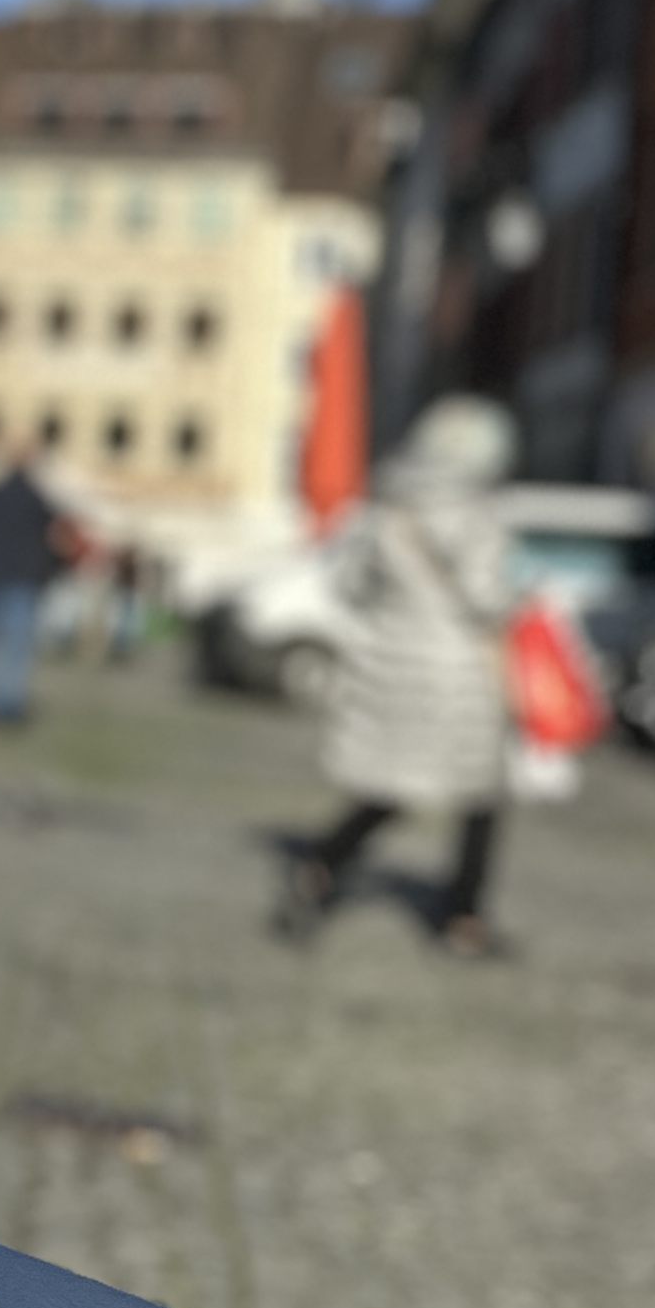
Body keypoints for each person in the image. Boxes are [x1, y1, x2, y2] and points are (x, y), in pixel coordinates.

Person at [275, 396, 519, 958]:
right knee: (480, 796)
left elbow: (350, 586)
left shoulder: (384, 512)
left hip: (390, 669)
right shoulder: (478, 519)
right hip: (459, 681)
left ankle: (318, 870)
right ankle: (463, 920)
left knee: (389, 789)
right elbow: (489, 600)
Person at [0, 450, 69, 724]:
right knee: (15, 647)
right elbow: (56, 538)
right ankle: (7, 702)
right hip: (23, 579)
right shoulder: (38, 501)